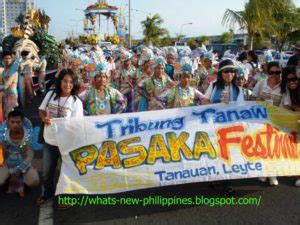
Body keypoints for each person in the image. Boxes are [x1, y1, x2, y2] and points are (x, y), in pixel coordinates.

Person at [36, 69, 84, 205]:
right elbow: (41, 109)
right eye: (65, 81)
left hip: (66, 143)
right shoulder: (51, 94)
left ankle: (67, 197)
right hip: (50, 140)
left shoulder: (76, 102)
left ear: (74, 84)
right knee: (46, 172)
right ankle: (47, 193)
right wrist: (44, 117)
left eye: (71, 82)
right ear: (60, 81)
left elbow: (77, 125)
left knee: (67, 172)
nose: (67, 85)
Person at [251, 61, 290, 186]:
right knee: (262, 147)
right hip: (261, 120)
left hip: (277, 122)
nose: (274, 75)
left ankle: (272, 173)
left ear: (281, 73)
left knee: (273, 147)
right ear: (267, 73)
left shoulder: (284, 87)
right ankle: (263, 172)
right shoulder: (261, 83)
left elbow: (287, 106)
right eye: (271, 72)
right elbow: (252, 98)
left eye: (277, 72)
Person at [0, 110, 39, 197]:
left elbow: (29, 156)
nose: (15, 124)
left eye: (18, 122)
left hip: (24, 164)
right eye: (12, 122)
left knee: (34, 181)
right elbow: (2, 157)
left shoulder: (29, 136)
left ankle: (21, 179)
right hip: (7, 164)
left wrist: (18, 171)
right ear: (8, 122)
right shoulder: (2, 135)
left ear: (23, 122)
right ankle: (8, 178)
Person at [0, 52, 19, 118]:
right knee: (5, 111)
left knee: (9, 113)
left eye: (9, 58)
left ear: (12, 59)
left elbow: (7, 84)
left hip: (11, 94)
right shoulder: (4, 70)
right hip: (5, 93)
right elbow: (3, 82)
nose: (7, 60)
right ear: (2, 60)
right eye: (5, 58)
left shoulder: (13, 71)